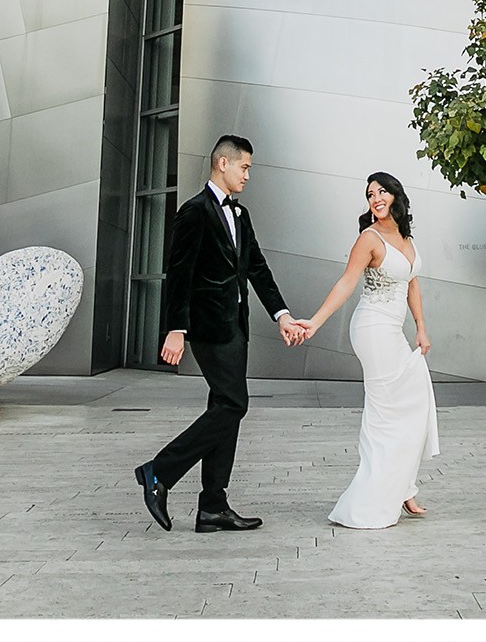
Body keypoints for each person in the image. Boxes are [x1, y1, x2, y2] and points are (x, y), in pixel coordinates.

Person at [134, 135, 306, 533]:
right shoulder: (194, 212)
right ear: (222, 164)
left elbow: (257, 268)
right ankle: (159, 472)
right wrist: (176, 329)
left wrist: (281, 314)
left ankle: (213, 506)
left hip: (236, 326)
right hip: (208, 327)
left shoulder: (240, 215)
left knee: (224, 409)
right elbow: (178, 274)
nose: (248, 175)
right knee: (233, 405)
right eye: (244, 167)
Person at [294, 171, 439, 528]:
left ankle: (403, 485)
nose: (375, 198)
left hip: (395, 330)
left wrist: (421, 328)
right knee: (385, 412)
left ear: (395, 196)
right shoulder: (368, 238)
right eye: (370, 194)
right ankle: (372, 500)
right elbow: (346, 282)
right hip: (372, 328)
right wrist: (315, 321)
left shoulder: (406, 237)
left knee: (416, 401)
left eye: (382, 192)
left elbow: (412, 284)